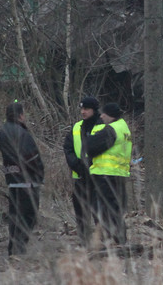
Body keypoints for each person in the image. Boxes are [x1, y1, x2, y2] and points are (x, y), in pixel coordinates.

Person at [0, 101, 44, 256]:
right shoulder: (21, 132)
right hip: (27, 180)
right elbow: (31, 157)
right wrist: (39, 173)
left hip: (12, 179)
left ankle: (13, 248)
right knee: (29, 214)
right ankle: (19, 249)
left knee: (15, 216)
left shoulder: (3, 131)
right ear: (21, 115)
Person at [87, 102, 131, 246]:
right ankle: (120, 238)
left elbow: (91, 147)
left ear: (109, 115)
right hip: (119, 174)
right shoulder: (124, 128)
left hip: (105, 174)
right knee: (115, 208)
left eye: (103, 114)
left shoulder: (111, 130)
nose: (101, 116)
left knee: (103, 207)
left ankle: (108, 238)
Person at [62, 96, 102, 246]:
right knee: (80, 210)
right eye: (82, 109)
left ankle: (101, 240)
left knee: (99, 211)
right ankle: (84, 240)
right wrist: (76, 165)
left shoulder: (103, 125)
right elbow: (68, 148)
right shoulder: (77, 127)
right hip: (80, 176)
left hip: (98, 176)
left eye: (86, 109)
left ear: (94, 110)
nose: (83, 112)